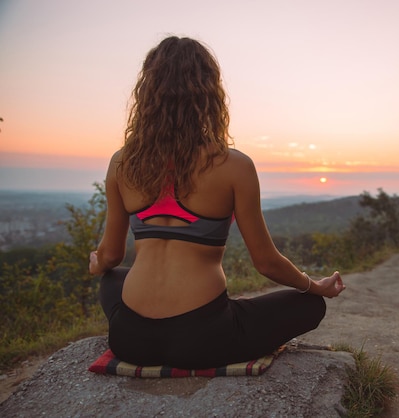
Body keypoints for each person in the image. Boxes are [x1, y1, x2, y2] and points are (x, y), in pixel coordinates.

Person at [88, 36, 345, 370]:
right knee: (311, 306)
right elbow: (266, 262)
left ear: (147, 93)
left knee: (112, 278)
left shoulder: (122, 163)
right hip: (203, 339)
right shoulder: (234, 165)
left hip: (130, 339)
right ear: (210, 93)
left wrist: (97, 264)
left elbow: (110, 256)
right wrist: (315, 286)